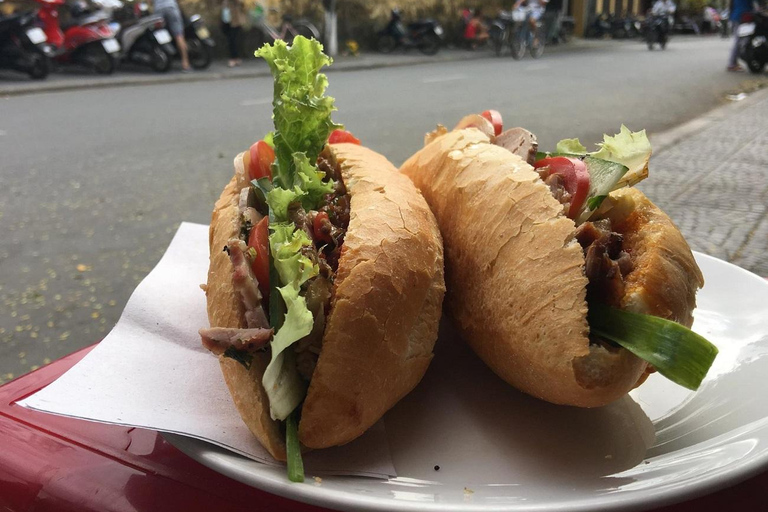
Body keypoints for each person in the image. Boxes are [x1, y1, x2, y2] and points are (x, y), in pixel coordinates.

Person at [154, 0, 191, 71]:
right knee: (179, 36)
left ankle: (163, 58)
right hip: (172, 7)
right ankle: (185, 63)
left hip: (159, 9)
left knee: (159, 32)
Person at [727, 0, 755, 71]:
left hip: (735, 16)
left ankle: (733, 62)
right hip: (744, 16)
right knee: (740, 41)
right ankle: (732, 63)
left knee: (738, 40)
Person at [221, 0, 246, 67]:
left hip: (235, 21)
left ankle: (234, 58)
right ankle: (234, 58)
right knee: (231, 40)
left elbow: (241, 4)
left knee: (234, 40)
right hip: (226, 20)